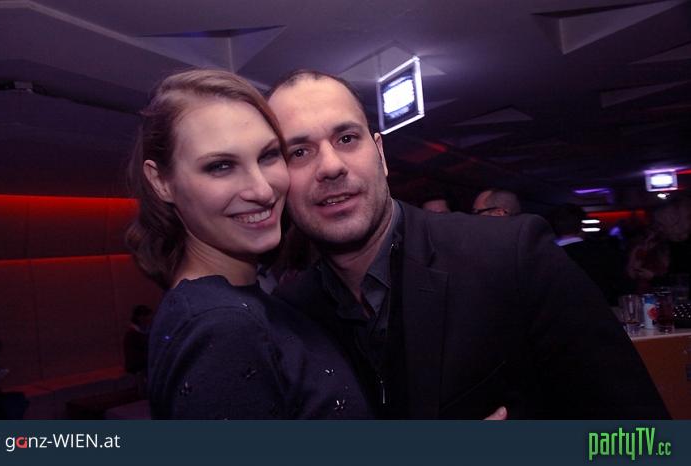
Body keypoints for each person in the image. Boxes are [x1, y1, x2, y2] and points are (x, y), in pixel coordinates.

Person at [267, 70, 668, 419]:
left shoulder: (510, 256)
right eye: (299, 152)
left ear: (381, 155)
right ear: (278, 181)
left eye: (347, 138)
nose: (331, 166)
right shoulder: (289, 315)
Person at [125, 69, 372, 419]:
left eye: (268, 155)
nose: (262, 190)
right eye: (221, 166)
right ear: (161, 181)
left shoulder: (231, 303)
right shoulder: (221, 325)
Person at [548, 204, 631, 305]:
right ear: (581, 226)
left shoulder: (545, 257)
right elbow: (623, 286)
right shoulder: (602, 252)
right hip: (600, 310)